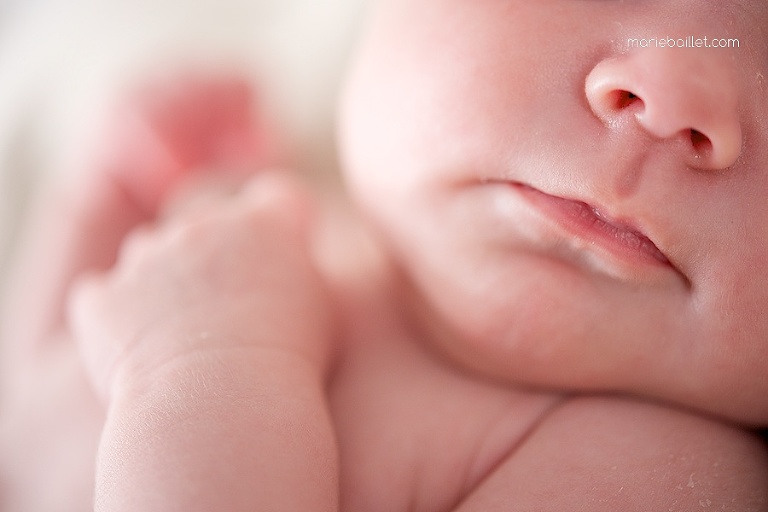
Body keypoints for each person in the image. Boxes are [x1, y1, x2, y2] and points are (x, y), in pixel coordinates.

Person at [2, 0, 768, 510]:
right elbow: (25, 419)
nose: (672, 91)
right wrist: (104, 205)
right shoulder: (284, 204)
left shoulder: (661, 477)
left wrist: (204, 365)